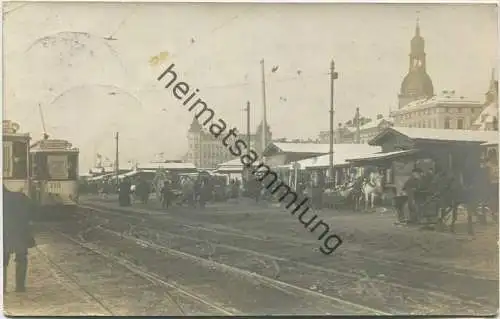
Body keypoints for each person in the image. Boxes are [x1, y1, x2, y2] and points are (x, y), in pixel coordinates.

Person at [3, 185, 36, 292]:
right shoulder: (21, 197)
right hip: (20, 232)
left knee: (3, 261)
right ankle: (20, 287)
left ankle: (2, 288)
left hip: (4, 233)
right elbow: (34, 211)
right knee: (21, 259)